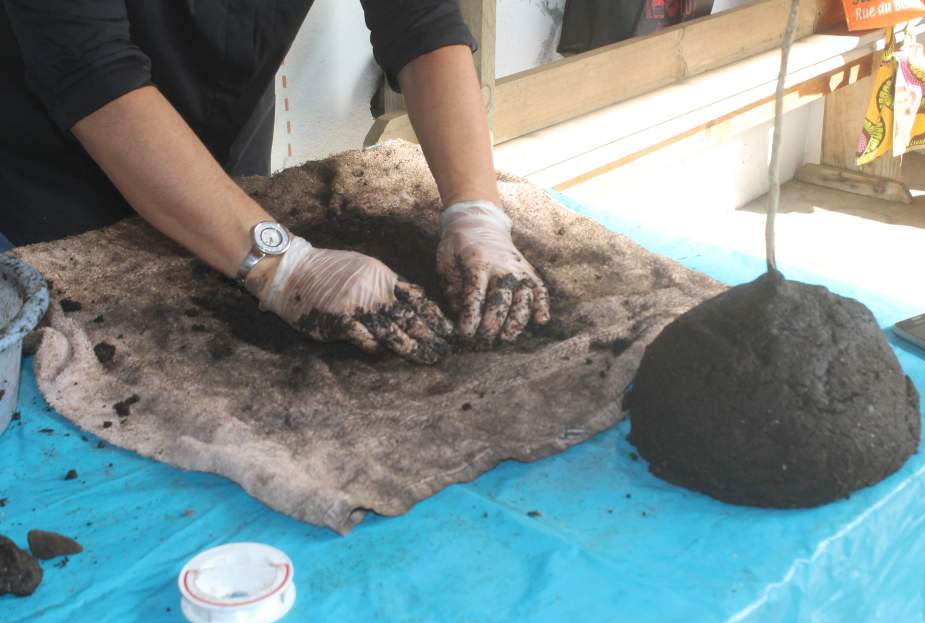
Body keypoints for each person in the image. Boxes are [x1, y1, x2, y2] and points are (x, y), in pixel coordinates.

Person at [0, 1, 550, 365]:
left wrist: (476, 211)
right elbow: (89, 70)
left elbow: (420, 18)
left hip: (222, 110)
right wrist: (283, 264)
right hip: (51, 164)